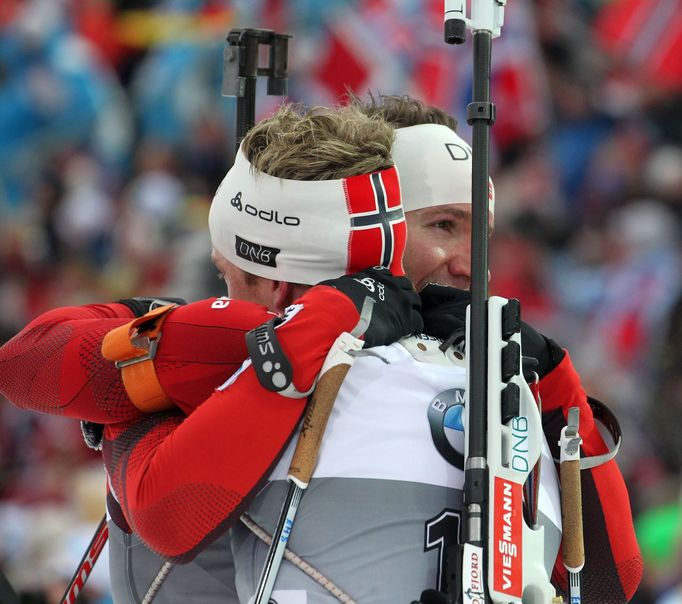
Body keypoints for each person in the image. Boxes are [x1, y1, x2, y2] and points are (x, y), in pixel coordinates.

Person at [0, 97, 641, 603]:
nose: (472, 264)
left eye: (482, 235)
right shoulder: (251, 333)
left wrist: (558, 387)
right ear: (369, 227)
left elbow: (610, 584)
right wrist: (311, 326)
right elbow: (28, 366)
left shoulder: (505, 376)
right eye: (442, 226)